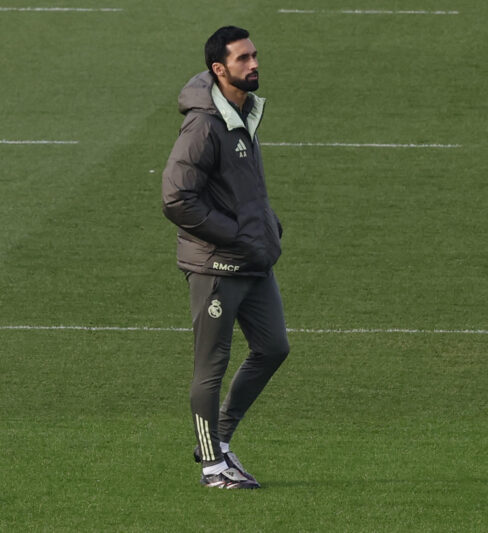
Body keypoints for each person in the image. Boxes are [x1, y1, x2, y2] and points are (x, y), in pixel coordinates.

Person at [162, 26, 289, 490]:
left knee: (274, 347)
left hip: (253, 260)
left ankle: (219, 438)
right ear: (220, 69)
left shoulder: (243, 110)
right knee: (210, 367)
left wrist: (267, 225)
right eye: (243, 59)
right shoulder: (204, 124)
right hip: (216, 266)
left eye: (255, 55)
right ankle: (213, 467)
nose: (254, 64)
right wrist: (236, 234)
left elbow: (239, 184)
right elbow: (176, 198)